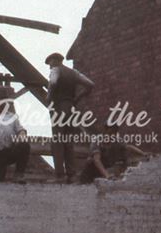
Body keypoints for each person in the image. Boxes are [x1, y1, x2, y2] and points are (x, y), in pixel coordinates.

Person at [46, 52, 94, 183]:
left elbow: (53, 82)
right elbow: (90, 84)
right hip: (71, 108)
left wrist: (49, 97)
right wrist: (77, 98)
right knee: (68, 141)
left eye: (50, 63)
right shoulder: (74, 73)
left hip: (58, 108)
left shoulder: (56, 70)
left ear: (55, 60)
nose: (50, 67)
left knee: (57, 141)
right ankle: (71, 175)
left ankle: (59, 176)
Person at [79, 122, 145, 183]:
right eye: (110, 132)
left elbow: (128, 147)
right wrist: (107, 175)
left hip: (103, 170)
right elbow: (97, 160)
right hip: (90, 172)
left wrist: (143, 153)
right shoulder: (97, 141)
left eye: (115, 132)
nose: (112, 135)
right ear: (104, 130)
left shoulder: (116, 140)